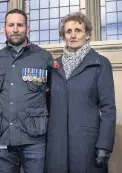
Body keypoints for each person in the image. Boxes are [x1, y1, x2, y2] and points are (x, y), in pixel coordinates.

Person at [45, 12, 116, 173]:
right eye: (68, 31)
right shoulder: (54, 67)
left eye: (78, 30)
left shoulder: (100, 64)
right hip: (57, 148)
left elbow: (108, 108)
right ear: (64, 36)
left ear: (87, 34)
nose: (73, 35)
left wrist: (104, 145)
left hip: (87, 146)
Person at [0, 9, 53, 173]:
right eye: (11, 25)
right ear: (4, 29)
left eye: (20, 25)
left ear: (27, 29)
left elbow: (52, 96)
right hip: (3, 137)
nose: (15, 29)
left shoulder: (43, 57)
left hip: (34, 139)